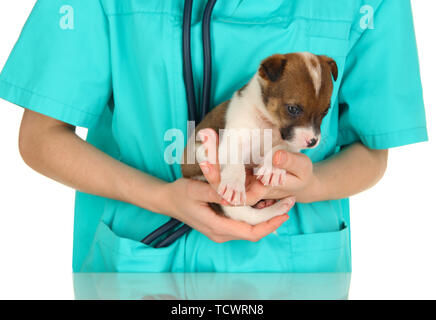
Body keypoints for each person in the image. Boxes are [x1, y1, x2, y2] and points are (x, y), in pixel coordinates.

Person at [0, 0, 427, 272]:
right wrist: (162, 197)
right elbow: (41, 137)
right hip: (136, 263)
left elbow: (372, 150)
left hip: (294, 273)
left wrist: (313, 184)